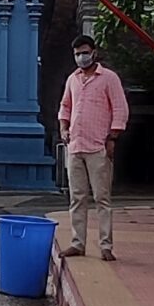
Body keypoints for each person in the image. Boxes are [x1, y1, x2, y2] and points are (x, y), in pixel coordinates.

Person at [58, 34, 129, 262]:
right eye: (78, 54)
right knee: (77, 197)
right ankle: (77, 243)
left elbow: (120, 109)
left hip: (98, 146)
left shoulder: (109, 78)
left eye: (85, 52)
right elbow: (65, 105)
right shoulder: (73, 79)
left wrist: (112, 138)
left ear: (94, 52)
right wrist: (63, 128)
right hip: (75, 146)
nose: (81, 57)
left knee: (102, 198)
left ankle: (106, 246)